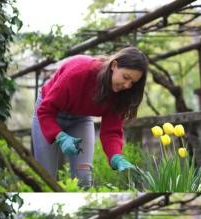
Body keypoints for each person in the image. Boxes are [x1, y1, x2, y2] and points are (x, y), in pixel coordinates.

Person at [32, 46, 148, 188]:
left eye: (133, 83)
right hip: (48, 113)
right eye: (126, 77)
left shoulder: (120, 95)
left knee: (84, 179)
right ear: (114, 65)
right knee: (46, 178)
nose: (127, 85)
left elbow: (111, 131)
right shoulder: (80, 72)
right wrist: (60, 137)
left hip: (80, 118)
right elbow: (46, 110)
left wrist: (116, 156)